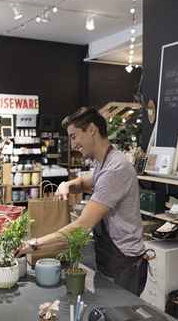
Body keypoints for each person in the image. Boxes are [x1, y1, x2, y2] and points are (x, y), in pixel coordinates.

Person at [16, 107, 150, 296]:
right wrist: (67, 184)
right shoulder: (103, 162)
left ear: (92, 130)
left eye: (74, 136)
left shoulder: (116, 169)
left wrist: (35, 243)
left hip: (124, 264)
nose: (72, 144)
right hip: (110, 258)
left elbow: (82, 226)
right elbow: (84, 182)